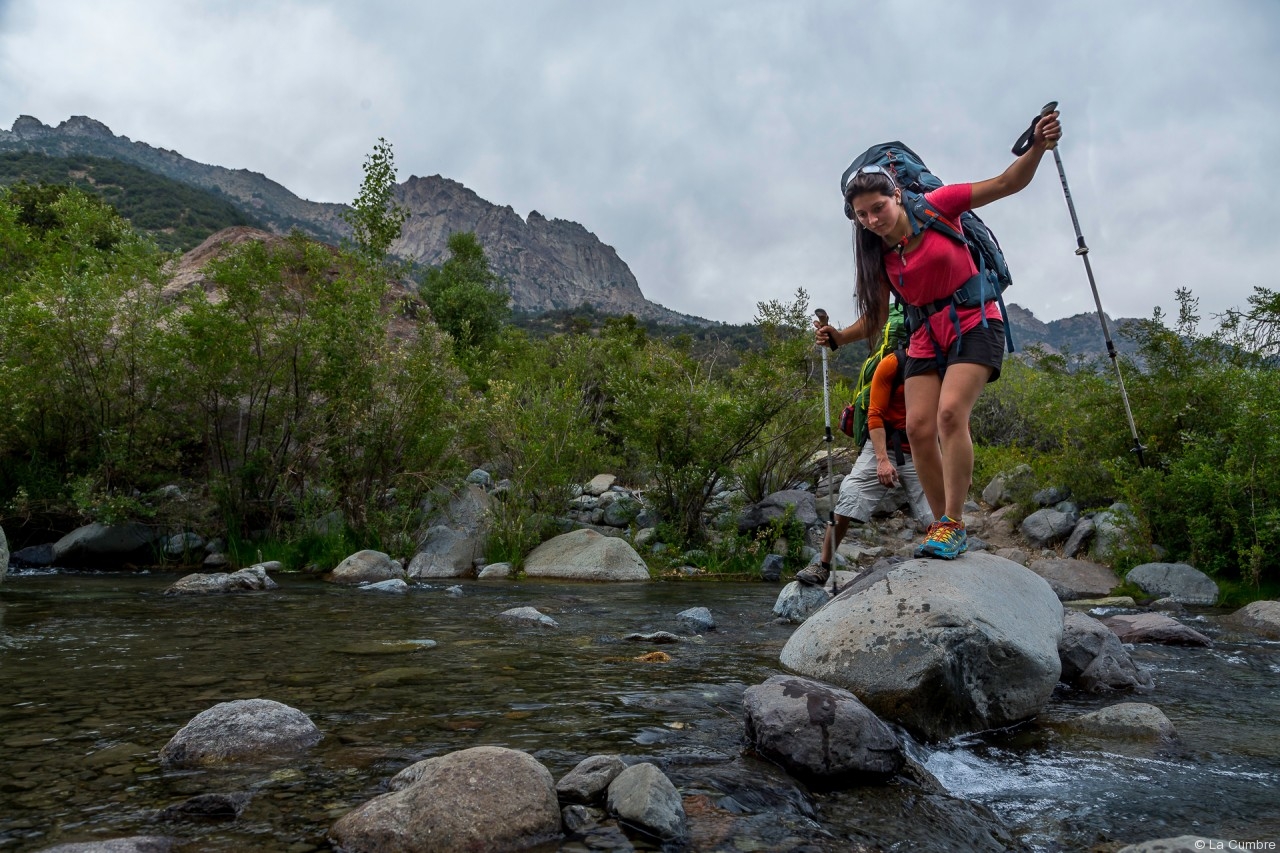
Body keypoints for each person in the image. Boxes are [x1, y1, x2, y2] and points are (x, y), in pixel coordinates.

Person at [816, 111, 1062, 560]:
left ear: (896, 194)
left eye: (878, 208)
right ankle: (941, 525)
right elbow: (874, 320)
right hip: (924, 335)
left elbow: (1007, 182)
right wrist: (837, 338)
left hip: (974, 321)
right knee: (917, 426)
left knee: (951, 416)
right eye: (862, 216)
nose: (872, 220)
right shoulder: (880, 255)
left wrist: (1039, 147)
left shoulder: (938, 205)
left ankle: (952, 522)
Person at [796, 345, 933, 586]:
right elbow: (875, 414)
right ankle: (823, 565)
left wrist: (960, 466)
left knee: (936, 515)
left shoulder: (943, 364)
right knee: (849, 496)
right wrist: (882, 460)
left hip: (922, 448)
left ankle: (942, 566)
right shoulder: (892, 363)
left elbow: (953, 416)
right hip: (883, 443)